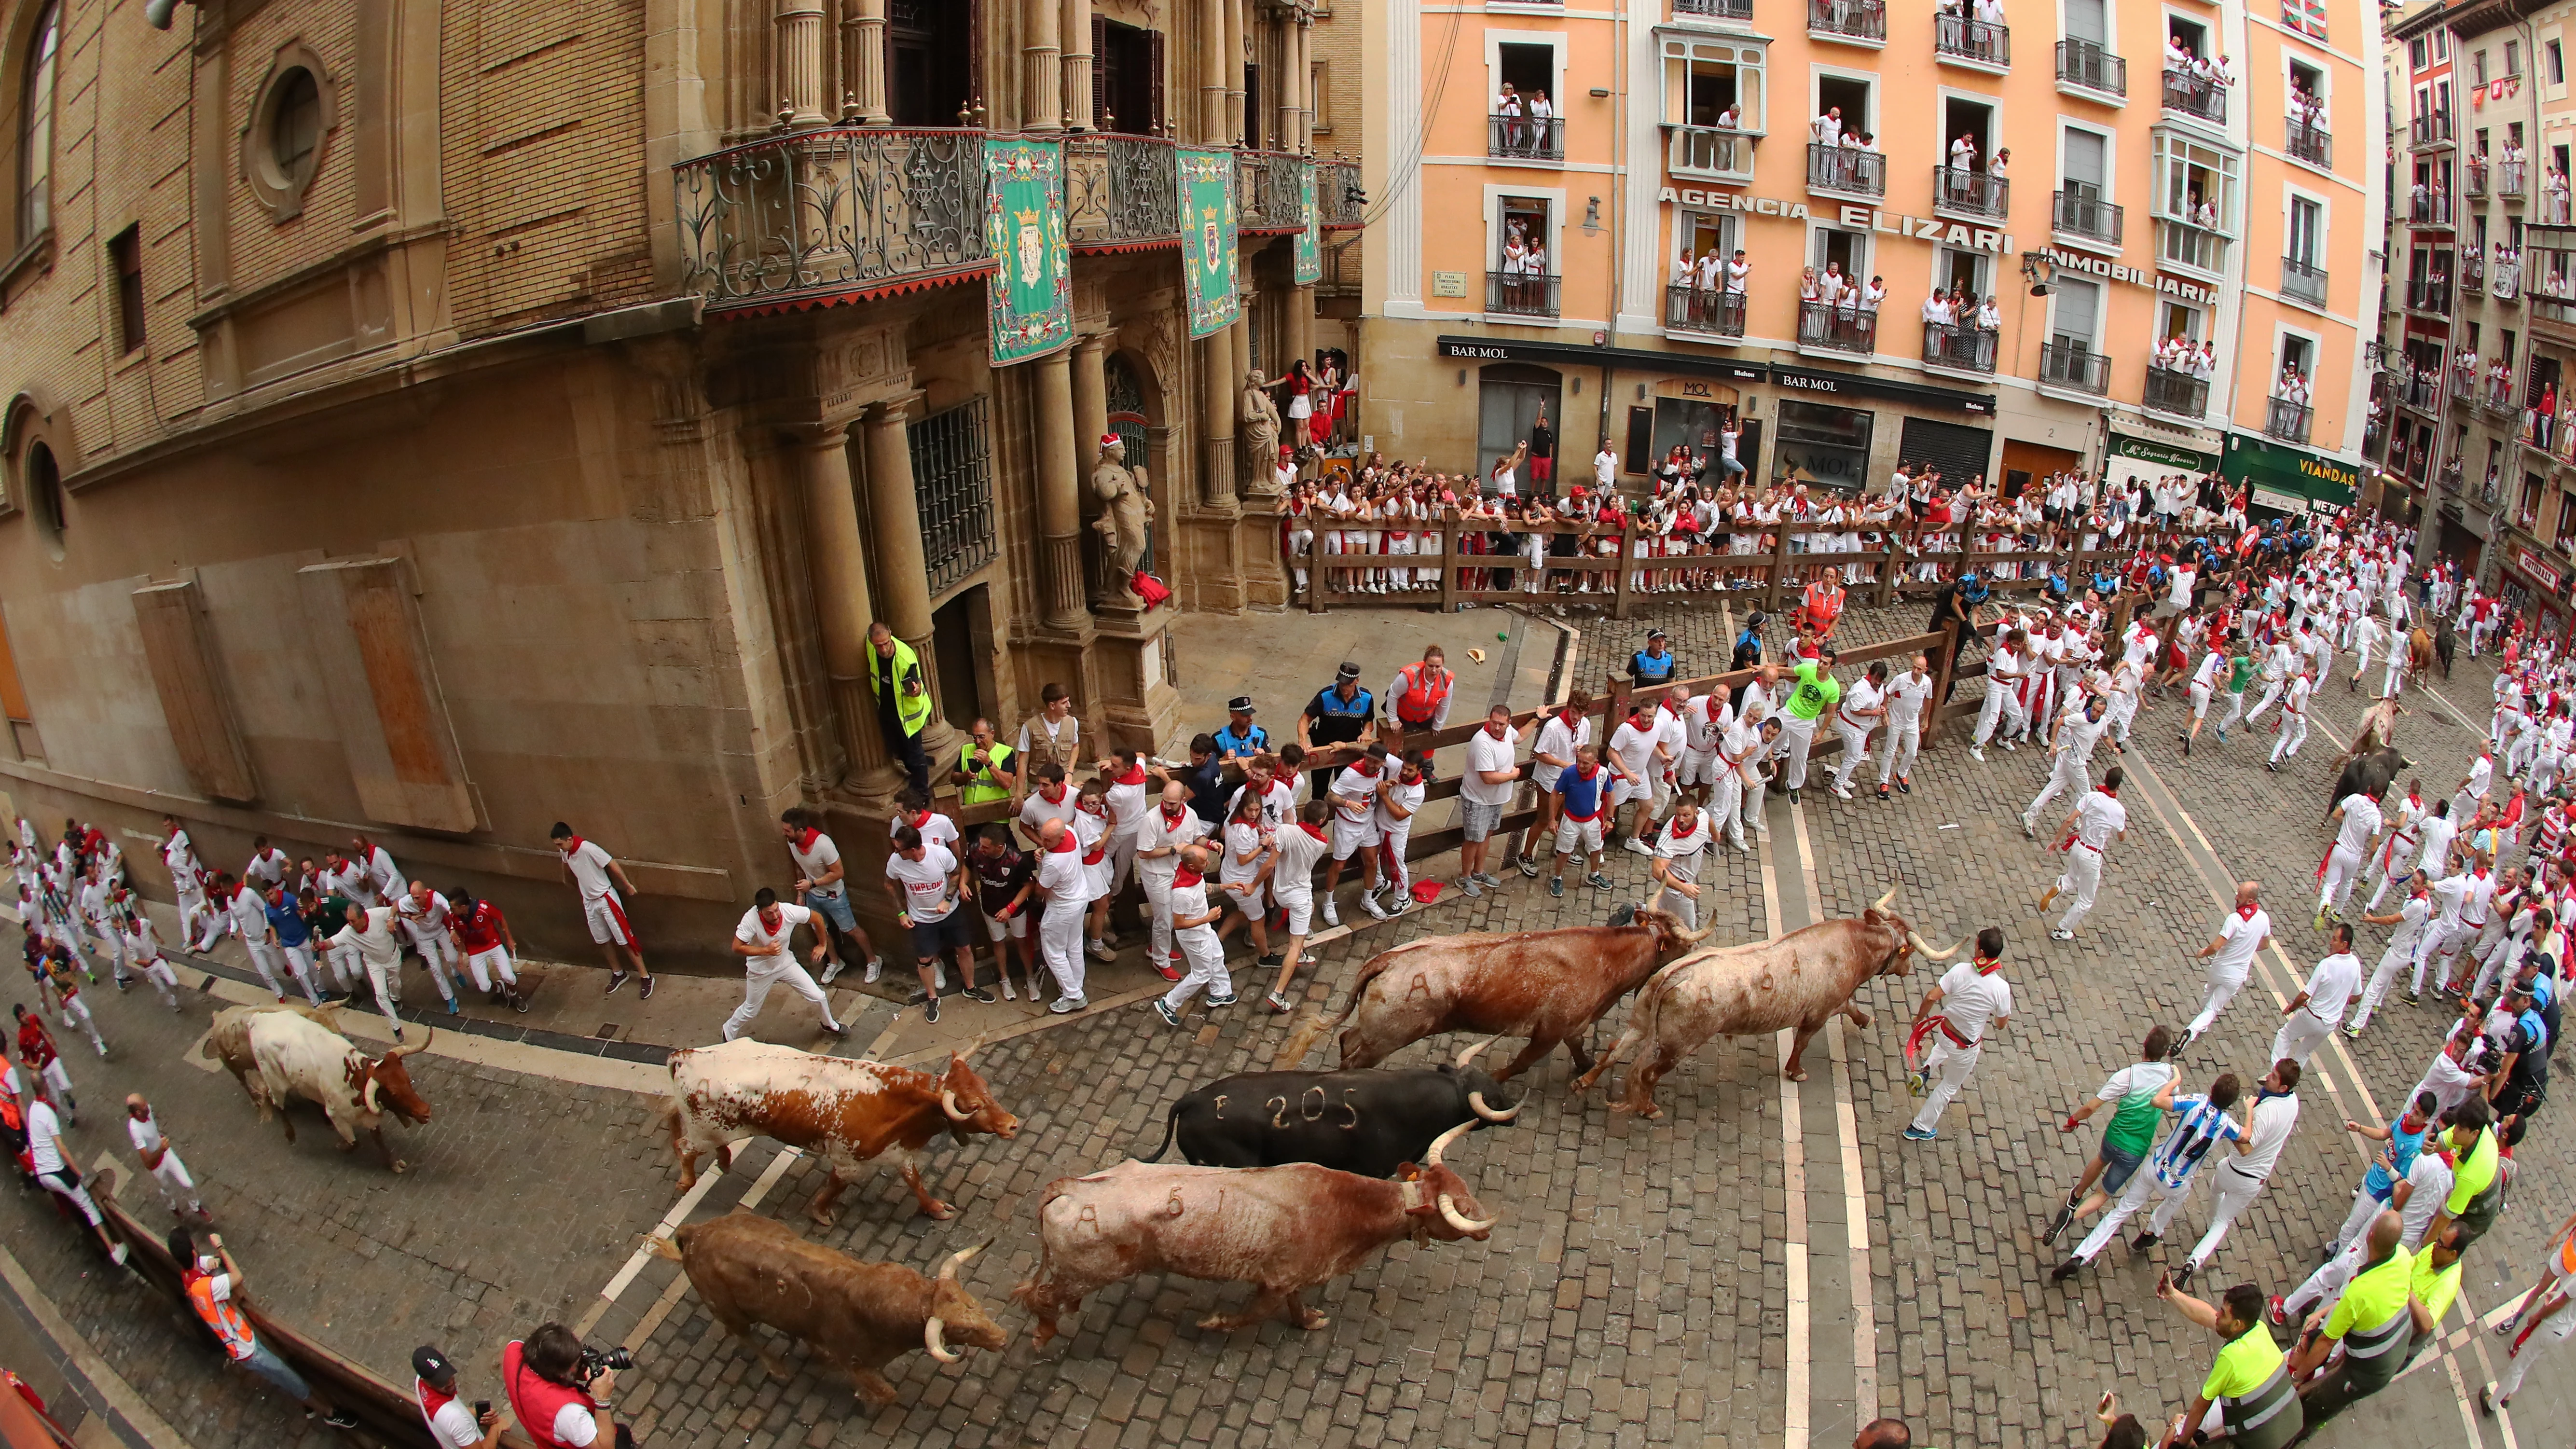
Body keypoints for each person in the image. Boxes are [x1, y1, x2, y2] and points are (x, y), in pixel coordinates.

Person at [2052, 1070, 2244, 1281]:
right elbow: (2247, 1140)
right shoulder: (2227, 1124)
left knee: (2121, 1210)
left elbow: (2158, 1100)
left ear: (2212, 1089)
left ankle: (2080, 1256)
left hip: (2155, 1168)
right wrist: (2251, 1111)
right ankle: (2152, 1232)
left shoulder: (2196, 1101)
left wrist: (2175, 1081)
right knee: (2174, 1202)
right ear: (2231, 1104)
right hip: (2177, 1182)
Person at [176, 1230, 354, 1426]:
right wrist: (220, 1247)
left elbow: (205, 1263)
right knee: (290, 1379)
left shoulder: (188, 1277)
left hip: (240, 1337)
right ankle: (329, 1413)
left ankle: (309, 1405)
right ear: (193, 1252)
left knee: (283, 1372)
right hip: (247, 1348)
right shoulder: (206, 1288)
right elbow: (237, 1277)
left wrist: (213, 1261)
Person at [2042, 1025, 2178, 1248]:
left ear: (2144, 1047)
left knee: (2100, 1159)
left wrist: (2073, 1121)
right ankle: (2071, 1218)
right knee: (2104, 1193)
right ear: (2165, 1053)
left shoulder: (2127, 1076)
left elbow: (2092, 1107)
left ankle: (2075, 1195)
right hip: (2135, 1150)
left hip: (2114, 1136)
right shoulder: (2170, 1077)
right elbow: (2174, 1101)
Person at [2286, 1211, 2425, 1427]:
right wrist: (2322, 1313)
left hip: (2374, 1367)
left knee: (2319, 1403)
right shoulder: (2404, 1257)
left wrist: (2298, 1377)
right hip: (2397, 1337)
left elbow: (2326, 1342)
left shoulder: (2359, 1292)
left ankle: (2301, 1429)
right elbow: (2357, 1304)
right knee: (2332, 1370)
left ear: (2370, 1235)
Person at [2171, 1060, 2300, 1289]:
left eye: (2274, 1077)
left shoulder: (2264, 1112)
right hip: (2255, 1181)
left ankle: (2210, 1226)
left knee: (2216, 1190)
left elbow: (2246, 1146)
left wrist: (2236, 1123)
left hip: (2235, 1168)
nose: (2268, 1077)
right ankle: (2194, 1261)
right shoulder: (2292, 1102)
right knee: (2224, 1221)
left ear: (2282, 1088)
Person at [2150, 1279, 2301, 1449]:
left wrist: (2180, 1443)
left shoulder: (2231, 1357)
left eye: (2223, 1313)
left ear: (2237, 1324)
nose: (2217, 1315)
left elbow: (2201, 1406)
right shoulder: (2258, 1328)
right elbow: (2210, 1317)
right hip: (2291, 1423)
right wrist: (2173, 1294)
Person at [1903, 926, 2011, 1141]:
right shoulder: (2001, 988)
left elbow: (1932, 997)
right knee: (1948, 1087)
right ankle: (1919, 1127)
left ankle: (1926, 1070)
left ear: (1980, 950)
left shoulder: (1960, 970)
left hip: (1945, 1032)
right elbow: (2001, 1024)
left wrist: (1918, 1019)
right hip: (1966, 1046)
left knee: (1942, 1047)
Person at [725, 886, 850, 1040]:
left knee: (819, 997)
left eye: (776, 910)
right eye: (770, 913)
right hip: (761, 970)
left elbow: (817, 918)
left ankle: (829, 1023)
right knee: (751, 1010)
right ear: (760, 912)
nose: (776, 915)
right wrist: (766, 951)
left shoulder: (788, 911)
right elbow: (737, 947)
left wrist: (822, 945)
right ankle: (728, 1032)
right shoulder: (750, 920)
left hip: (785, 963)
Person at [551, 824, 653, 997]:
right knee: (602, 940)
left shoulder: (588, 849)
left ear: (570, 839)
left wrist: (627, 884)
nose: (558, 848)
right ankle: (618, 973)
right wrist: (565, 879)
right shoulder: (565, 852)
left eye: (560, 844)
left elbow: (611, 863)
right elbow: (566, 865)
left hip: (606, 899)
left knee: (624, 939)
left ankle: (646, 976)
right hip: (589, 902)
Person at [26, 1082, 122, 1265]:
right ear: (45, 1087)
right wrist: (79, 1173)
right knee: (88, 1205)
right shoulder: (48, 1113)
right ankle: (113, 1249)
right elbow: (62, 1149)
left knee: (74, 1205)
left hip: (42, 1173)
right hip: (57, 1172)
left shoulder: (34, 1109)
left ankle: (96, 1242)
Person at [2037, 765, 2130, 941]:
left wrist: (2056, 840)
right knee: (2086, 900)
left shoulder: (2091, 797)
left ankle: (2060, 887)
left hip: (2078, 846)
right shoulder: (2118, 810)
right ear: (2118, 786)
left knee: (2072, 877)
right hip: (2093, 855)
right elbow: (2122, 837)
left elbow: (2070, 819)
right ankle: (2062, 929)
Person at [2178, 882, 2271, 1055]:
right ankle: (2194, 1029)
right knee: (2213, 1009)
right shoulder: (2264, 919)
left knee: (2208, 992)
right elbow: (2265, 944)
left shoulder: (2234, 920)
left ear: (2250, 900)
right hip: (2236, 975)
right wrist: (2248, 946)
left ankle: (2200, 1025)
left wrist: (2203, 953)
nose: (2236, 897)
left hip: (2219, 968)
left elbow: (2216, 946)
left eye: (2240, 896)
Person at [503, 1322, 628, 1449]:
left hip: (538, 1425)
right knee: (622, 1436)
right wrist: (603, 1398)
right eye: (578, 1364)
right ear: (561, 1375)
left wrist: (575, 1374)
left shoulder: (513, 1349)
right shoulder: (569, 1413)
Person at [1153, 843, 1235, 1026]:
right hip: (1194, 937)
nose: (1208, 863)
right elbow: (1179, 924)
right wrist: (1208, 918)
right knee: (1201, 974)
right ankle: (1169, 1003)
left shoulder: (1193, 874)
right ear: (1192, 866)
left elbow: (1204, 887)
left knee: (1217, 955)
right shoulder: (1182, 894)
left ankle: (1222, 992)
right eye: (1204, 861)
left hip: (1203, 930)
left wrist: (1228, 886)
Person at [967, 827, 1041, 1001]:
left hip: (1015, 909)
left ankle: (1030, 977)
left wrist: (1010, 908)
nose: (981, 850)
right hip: (990, 906)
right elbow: (967, 865)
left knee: (1021, 941)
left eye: (986, 847)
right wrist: (964, 884)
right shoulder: (976, 851)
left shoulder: (1016, 860)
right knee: (998, 942)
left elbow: (1029, 886)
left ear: (999, 847)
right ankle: (1004, 978)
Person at [2273, 925, 2362, 1067]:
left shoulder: (2326, 965)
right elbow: (2357, 996)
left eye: (2335, 939)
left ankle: (2276, 1075)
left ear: (2344, 944)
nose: (2331, 942)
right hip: (2329, 1025)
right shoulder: (2355, 964)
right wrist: (2340, 1001)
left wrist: (2291, 1008)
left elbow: (2304, 996)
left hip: (2312, 1016)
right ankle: (2289, 1084)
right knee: (2304, 1053)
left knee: (2285, 1035)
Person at [1459, 704, 1524, 897]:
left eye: (1501, 724)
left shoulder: (1508, 731)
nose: (1497, 728)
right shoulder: (1482, 742)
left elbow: (1520, 738)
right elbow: (1487, 778)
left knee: (1487, 835)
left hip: (1495, 799)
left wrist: (1537, 718)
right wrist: (1514, 775)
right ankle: (1464, 877)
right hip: (1478, 799)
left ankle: (1479, 872)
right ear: (1489, 720)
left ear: (1508, 724)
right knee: (1473, 839)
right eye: (1494, 723)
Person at [866, 620, 935, 797]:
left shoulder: (905, 658)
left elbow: (915, 686)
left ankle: (922, 792)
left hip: (908, 717)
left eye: (886, 644)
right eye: (878, 645)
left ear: (891, 635)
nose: (882, 649)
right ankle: (916, 767)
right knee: (899, 750)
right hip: (888, 710)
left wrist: (916, 690)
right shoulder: (870, 646)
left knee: (914, 753)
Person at [1033, 817, 1095, 1013]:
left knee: (1054, 951)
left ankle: (1074, 996)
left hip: (1062, 907)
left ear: (1060, 839)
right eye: (1042, 838)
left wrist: (1042, 861)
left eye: (1048, 841)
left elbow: (1041, 890)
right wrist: (1044, 851)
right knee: (1074, 945)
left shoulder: (1054, 862)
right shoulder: (1070, 832)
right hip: (1079, 898)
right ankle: (1075, 985)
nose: (1044, 843)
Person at [1298, 662, 1378, 800]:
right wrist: (1302, 740)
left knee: (1346, 790)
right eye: (1341, 683)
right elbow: (1305, 719)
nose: (1344, 687)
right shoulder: (1325, 696)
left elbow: (1369, 720)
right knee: (1319, 790)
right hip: (1324, 749)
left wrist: (1366, 732)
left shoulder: (1366, 698)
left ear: (1357, 681)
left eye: (1348, 683)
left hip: (1350, 751)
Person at [125, 1093, 207, 1223]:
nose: (149, 1106)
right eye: (145, 1106)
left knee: (188, 1183)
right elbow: (147, 1163)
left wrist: (162, 1146)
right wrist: (161, 1149)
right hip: (157, 1165)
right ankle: (173, 1207)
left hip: (166, 1152)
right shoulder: (136, 1130)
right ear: (138, 1112)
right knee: (167, 1189)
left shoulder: (147, 1111)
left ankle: (196, 1206)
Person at [445, 891, 528, 1012]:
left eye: (453, 908)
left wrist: (509, 939)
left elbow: (500, 918)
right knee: (484, 987)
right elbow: (459, 934)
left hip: (493, 943)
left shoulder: (483, 908)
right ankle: (500, 988)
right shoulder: (455, 917)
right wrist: (460, 955)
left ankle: (514, 993)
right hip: (475, 950)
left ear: (463, 907)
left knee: (509, 976)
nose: (451, 910)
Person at [413, 1344, 507, 1449]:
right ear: (426, 1382)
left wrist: (480, 1414)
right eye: (441, 1381)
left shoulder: (420, 1383)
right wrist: (497, 1427)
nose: (450, 1383)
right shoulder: (454, 1418)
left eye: (447, 1374)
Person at [951, 717, 1019, 808]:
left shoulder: (1006, 752)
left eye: (981, 737)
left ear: (992, 734)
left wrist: (989, 763)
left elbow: (1007, 784)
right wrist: (966, 776)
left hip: (996, 811)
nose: (977, 741)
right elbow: (954, 780)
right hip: (970, 810)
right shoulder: (966, 750)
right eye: (975, 737)